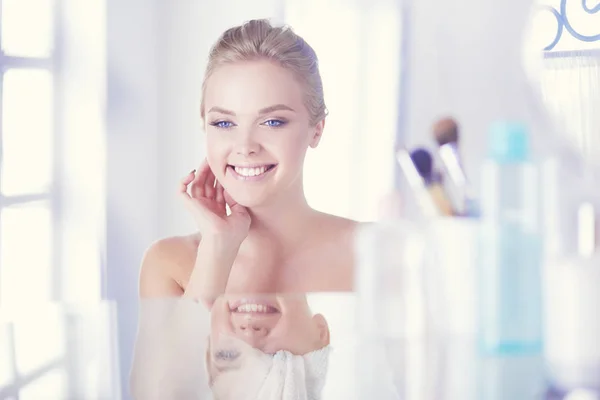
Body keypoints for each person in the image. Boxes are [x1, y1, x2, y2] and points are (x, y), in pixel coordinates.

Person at [138, 18, 358, 306]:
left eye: (272, 121)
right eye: (224, 123)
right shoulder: (169, 263)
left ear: (316, 130)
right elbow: (174, 354)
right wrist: (217, 247)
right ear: (205, 126)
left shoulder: (375, 253)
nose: (245, 146)